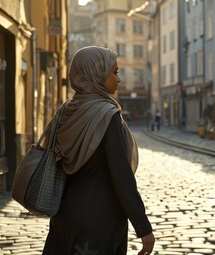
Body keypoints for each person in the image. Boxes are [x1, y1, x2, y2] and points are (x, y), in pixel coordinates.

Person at [43, 46, 155, 255]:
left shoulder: (65, 112)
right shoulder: (106, 115)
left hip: (64, 217)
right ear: (96, 74)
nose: (118, 79)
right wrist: (143, 227)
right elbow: (122, 176)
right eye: (114, 72)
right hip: (99, 221)